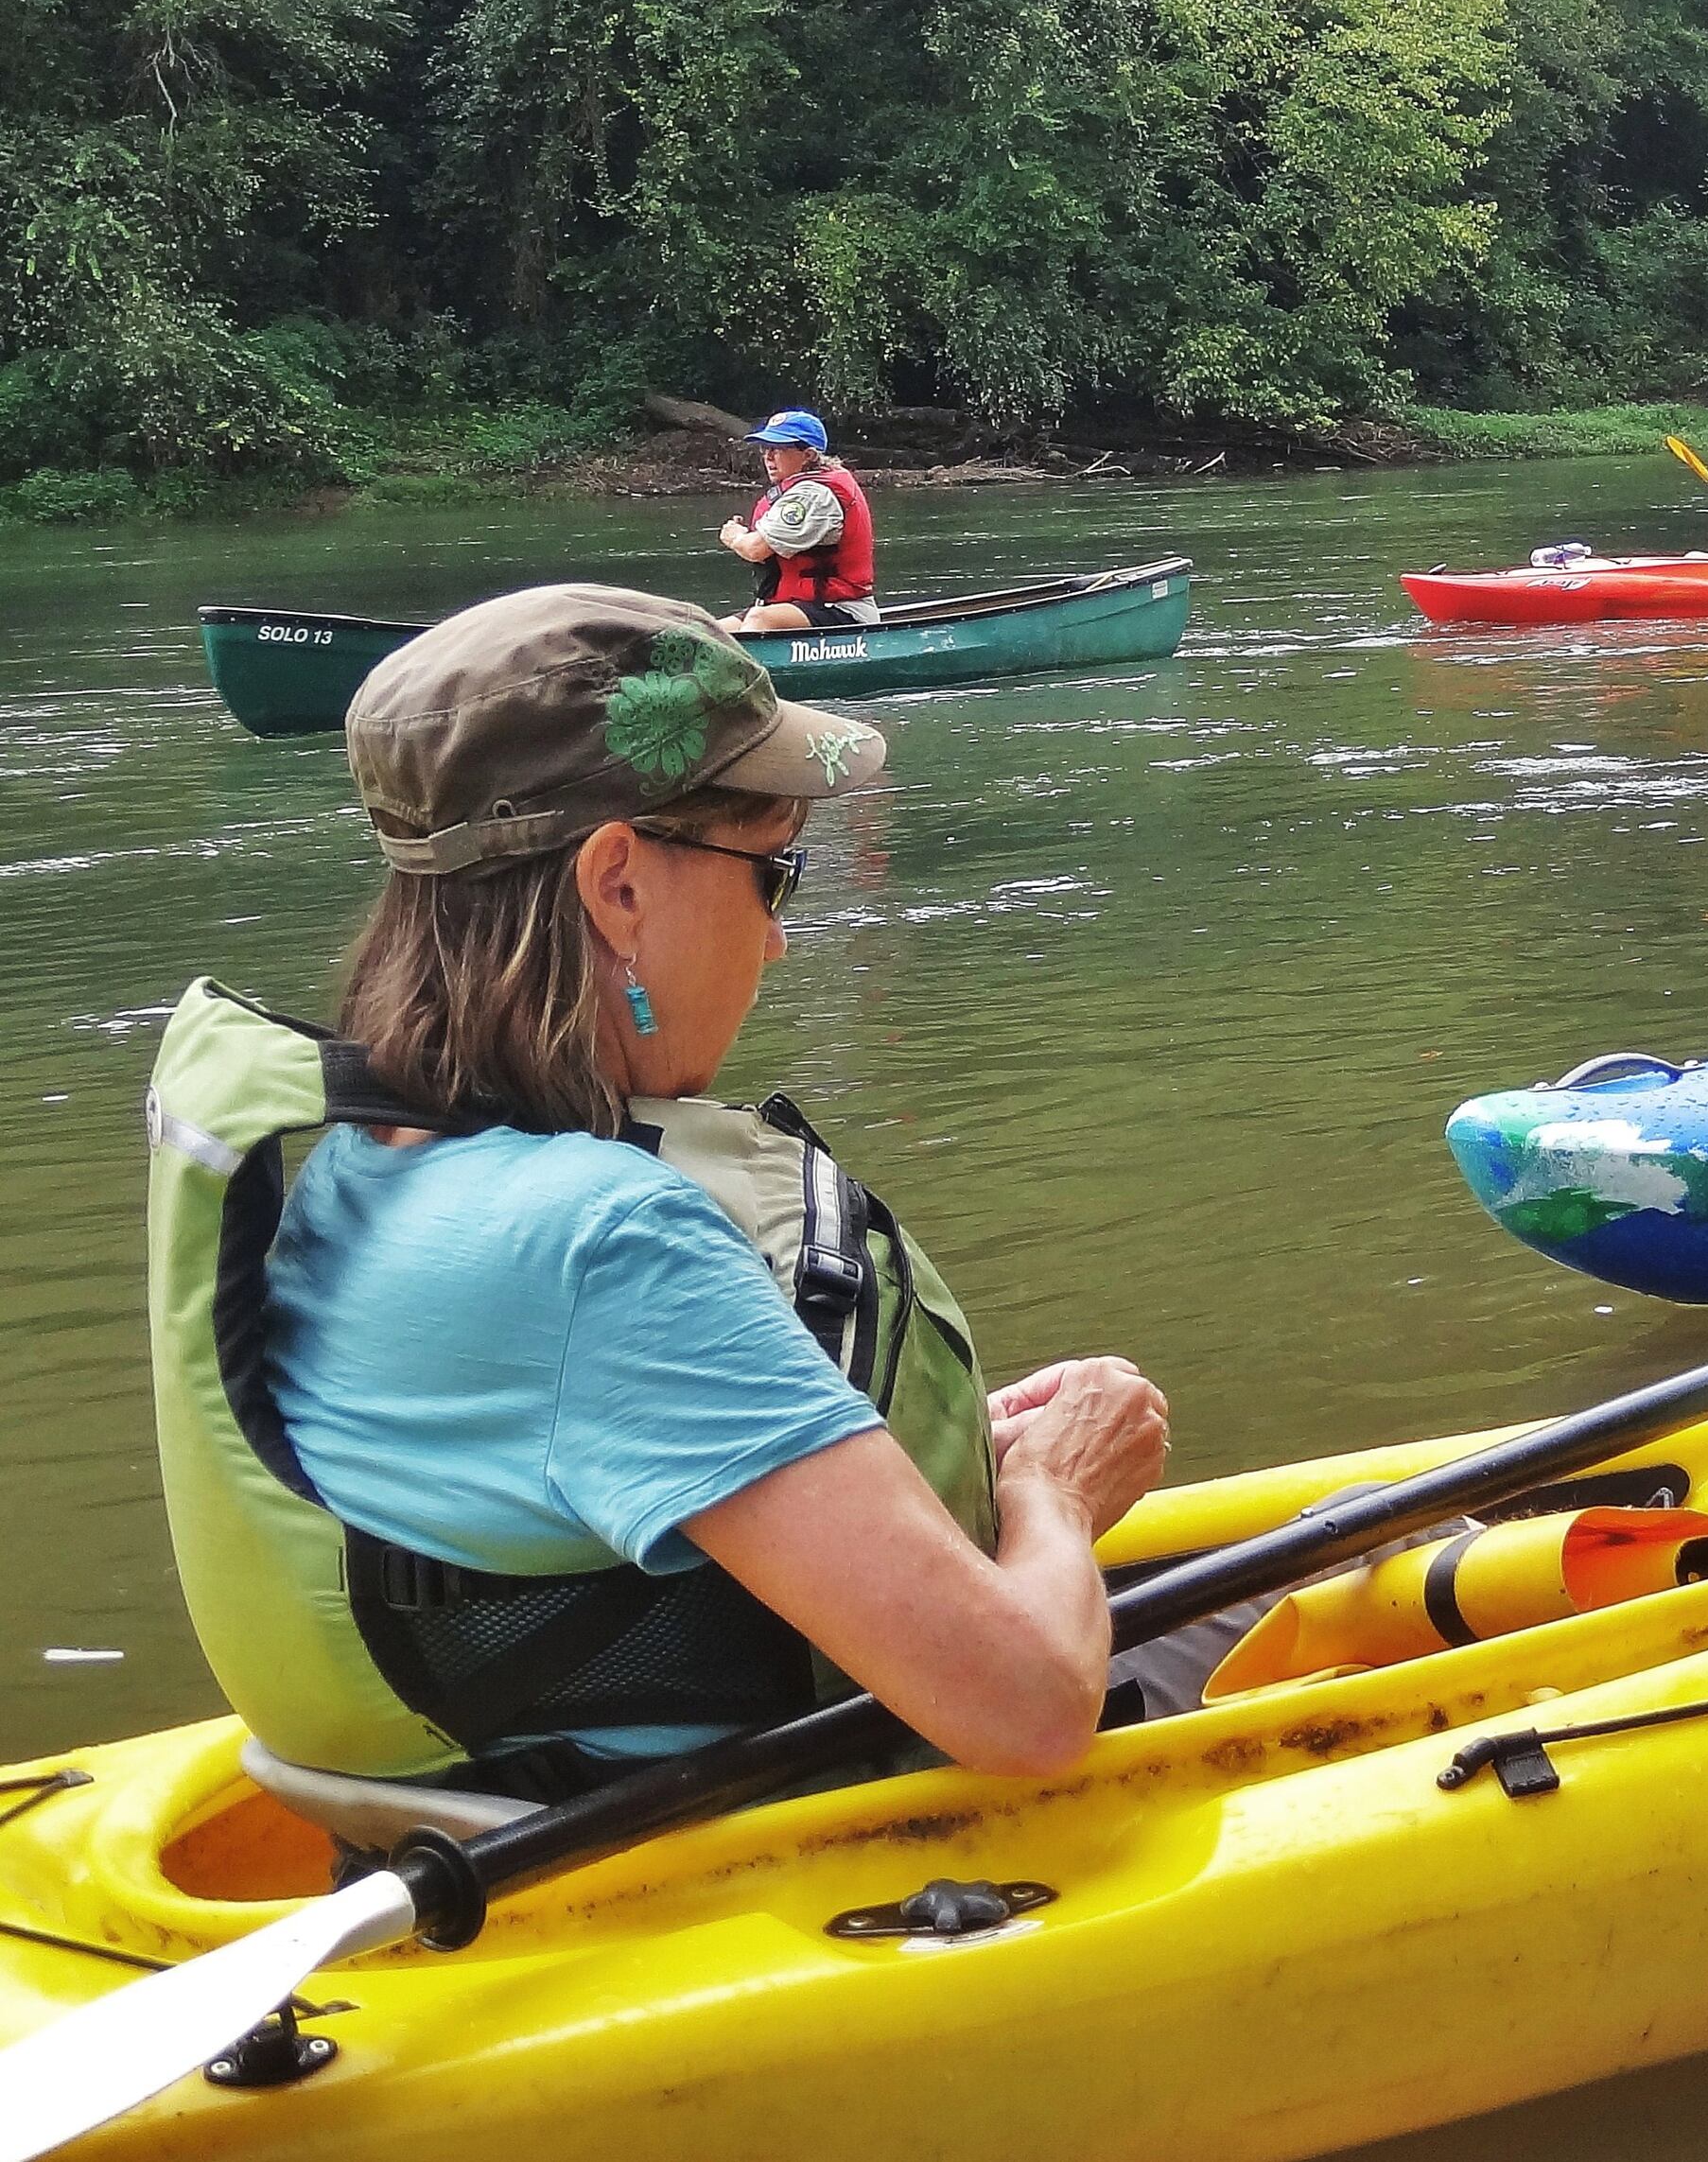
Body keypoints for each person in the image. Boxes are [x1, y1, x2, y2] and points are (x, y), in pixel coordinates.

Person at [143, 587, 1171, 1802]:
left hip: (481, 1817)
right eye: (772, 874)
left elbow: (583, 1455)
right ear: (618, 885)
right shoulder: (605, 1242)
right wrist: (1053, 1488)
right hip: (751, 1879)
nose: (778, 940)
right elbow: (1033, 1705)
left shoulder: (368, 1163)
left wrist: (863, 1465)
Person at [721, 410, 878, 632]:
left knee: (759, 619)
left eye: (779, 449)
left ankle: (754, 666)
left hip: (843, 610)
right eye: (766, 449)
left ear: (809, 455)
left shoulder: (814, 494)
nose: (768, 456)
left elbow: (755, 549)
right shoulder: (796, 489)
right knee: (707, 632)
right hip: (795, 608)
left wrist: (735, 535)